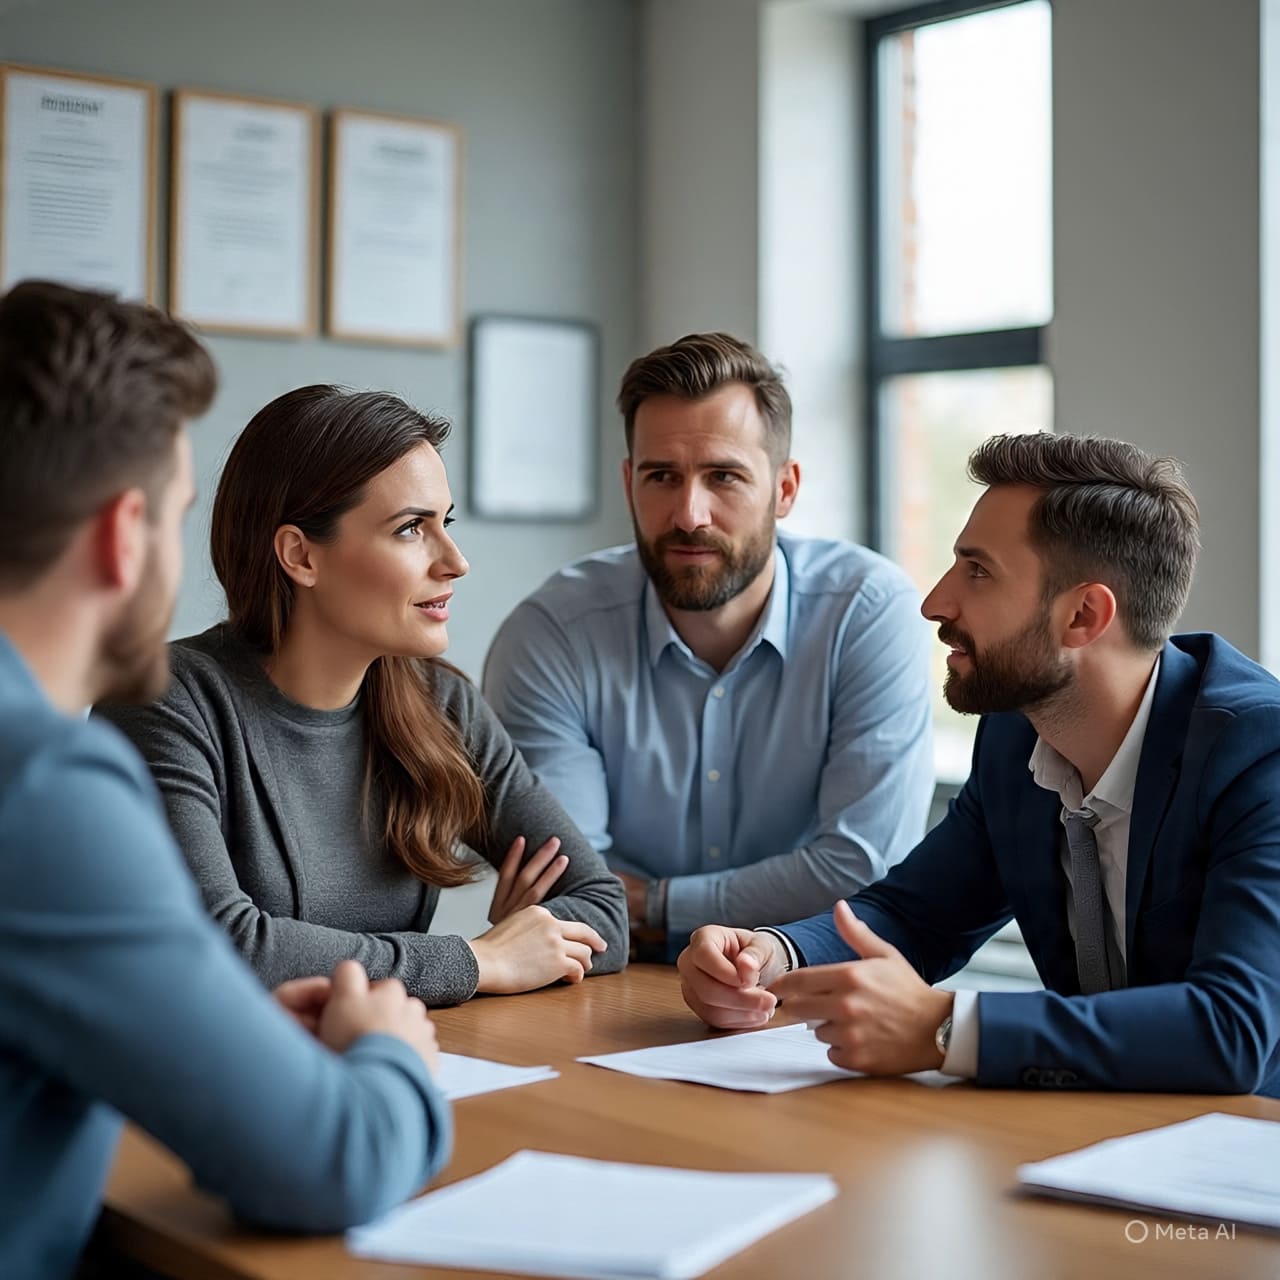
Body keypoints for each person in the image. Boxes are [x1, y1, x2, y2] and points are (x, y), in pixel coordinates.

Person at [0, 281, 450, 1280]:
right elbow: (334, 1160)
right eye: (177, 513)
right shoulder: (41, 787)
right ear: (125, 535)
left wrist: (216, 1023)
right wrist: (391, 1051)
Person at [678, 432, 1280, 1096]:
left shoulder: (1259, 754)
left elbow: (1232, 1030)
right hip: (1099, 1140)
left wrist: (947, 1029)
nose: (935, 602)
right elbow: (917, 916)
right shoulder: (1016, 734)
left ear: (1083, 615)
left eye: (977, 570)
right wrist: (770, 959)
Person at [103, 385, 626, 1007]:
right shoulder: (163, 700)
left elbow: (602, 910)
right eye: (411, 529)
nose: (455, 561)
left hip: (400, 1062)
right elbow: (216, 947)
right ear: (300, 555)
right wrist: (477, 961)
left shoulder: (442, 705)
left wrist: (517, 945)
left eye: (445, 524)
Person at [484, 332, 934, 958]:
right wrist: (604, 905)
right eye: (661, 476)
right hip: (612, 987)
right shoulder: (553, 635)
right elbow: (567, 894)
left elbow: (861, 872)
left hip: (811, 980)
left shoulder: (868, 614)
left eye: (723, 477)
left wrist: (650, 904)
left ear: (785, 489)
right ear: (628, 483)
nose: (689, 514)